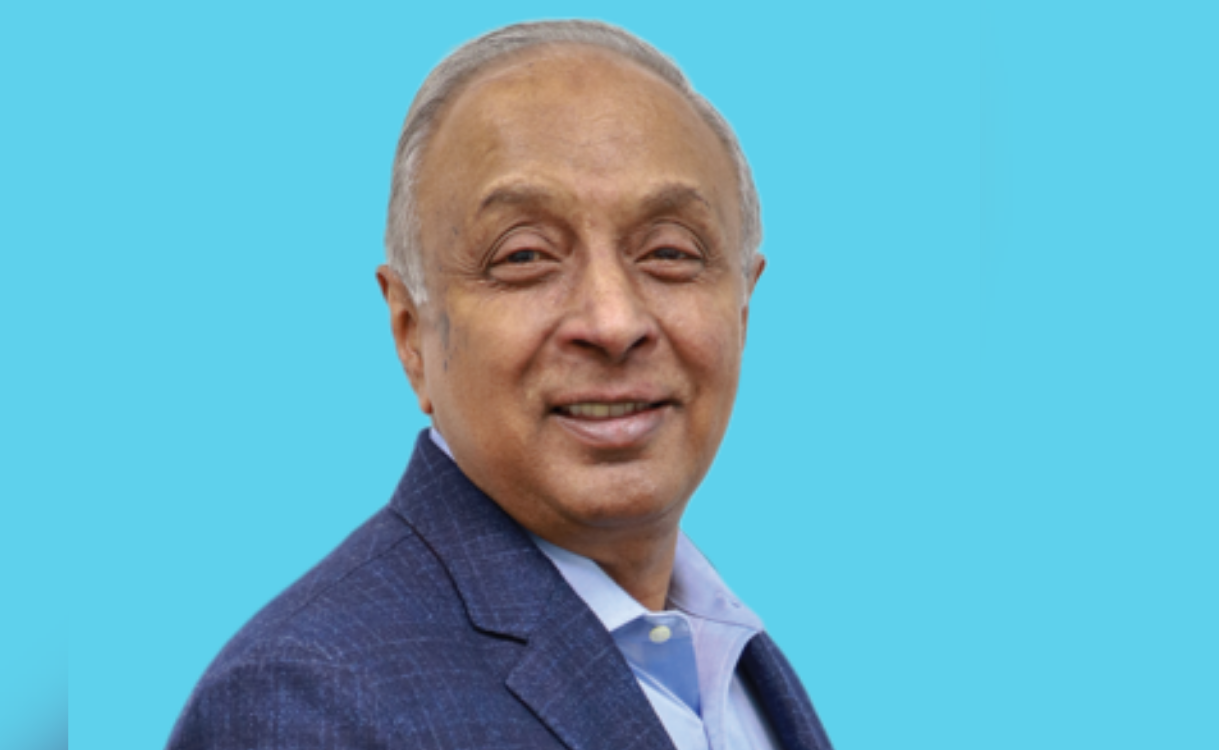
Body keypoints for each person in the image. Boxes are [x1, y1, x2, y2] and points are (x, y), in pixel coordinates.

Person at [167, 19, 832, 750]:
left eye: (670, 252)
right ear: (411, 334)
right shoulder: (305, 702)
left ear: (743, 306)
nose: (614, 322)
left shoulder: (731, 663)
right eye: (524, 257)